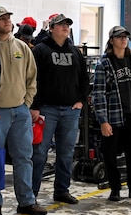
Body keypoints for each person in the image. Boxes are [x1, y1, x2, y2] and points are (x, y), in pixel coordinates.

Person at [0, 6, 46, 215]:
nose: (6, 21)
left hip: (20, 111)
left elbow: (32, 78)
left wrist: (27, 103)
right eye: (1, 19)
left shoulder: (21, 47)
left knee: (24, 157)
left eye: (8, 18)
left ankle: (27, 201)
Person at [30, 13, 89, 204]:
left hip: (71, 111)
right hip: (47, 110)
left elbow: (84, 79)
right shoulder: (40, 50)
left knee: (66, 153)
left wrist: (81, 101)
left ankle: (62, 190)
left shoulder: (75, 52)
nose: (65, 27)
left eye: (67, 25)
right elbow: (32, 79)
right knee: (39, 153)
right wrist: (35, 106)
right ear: (52, 28)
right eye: (61, 24)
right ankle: (31, 194)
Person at [92, 25, 131, 202]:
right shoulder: (104, 63)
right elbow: (99, 94)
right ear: (112, 41)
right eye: (119, 37)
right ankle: (115, 189)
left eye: (125, 36)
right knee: (110, 155)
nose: (123, 39)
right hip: (113, 117)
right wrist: (103, 121)